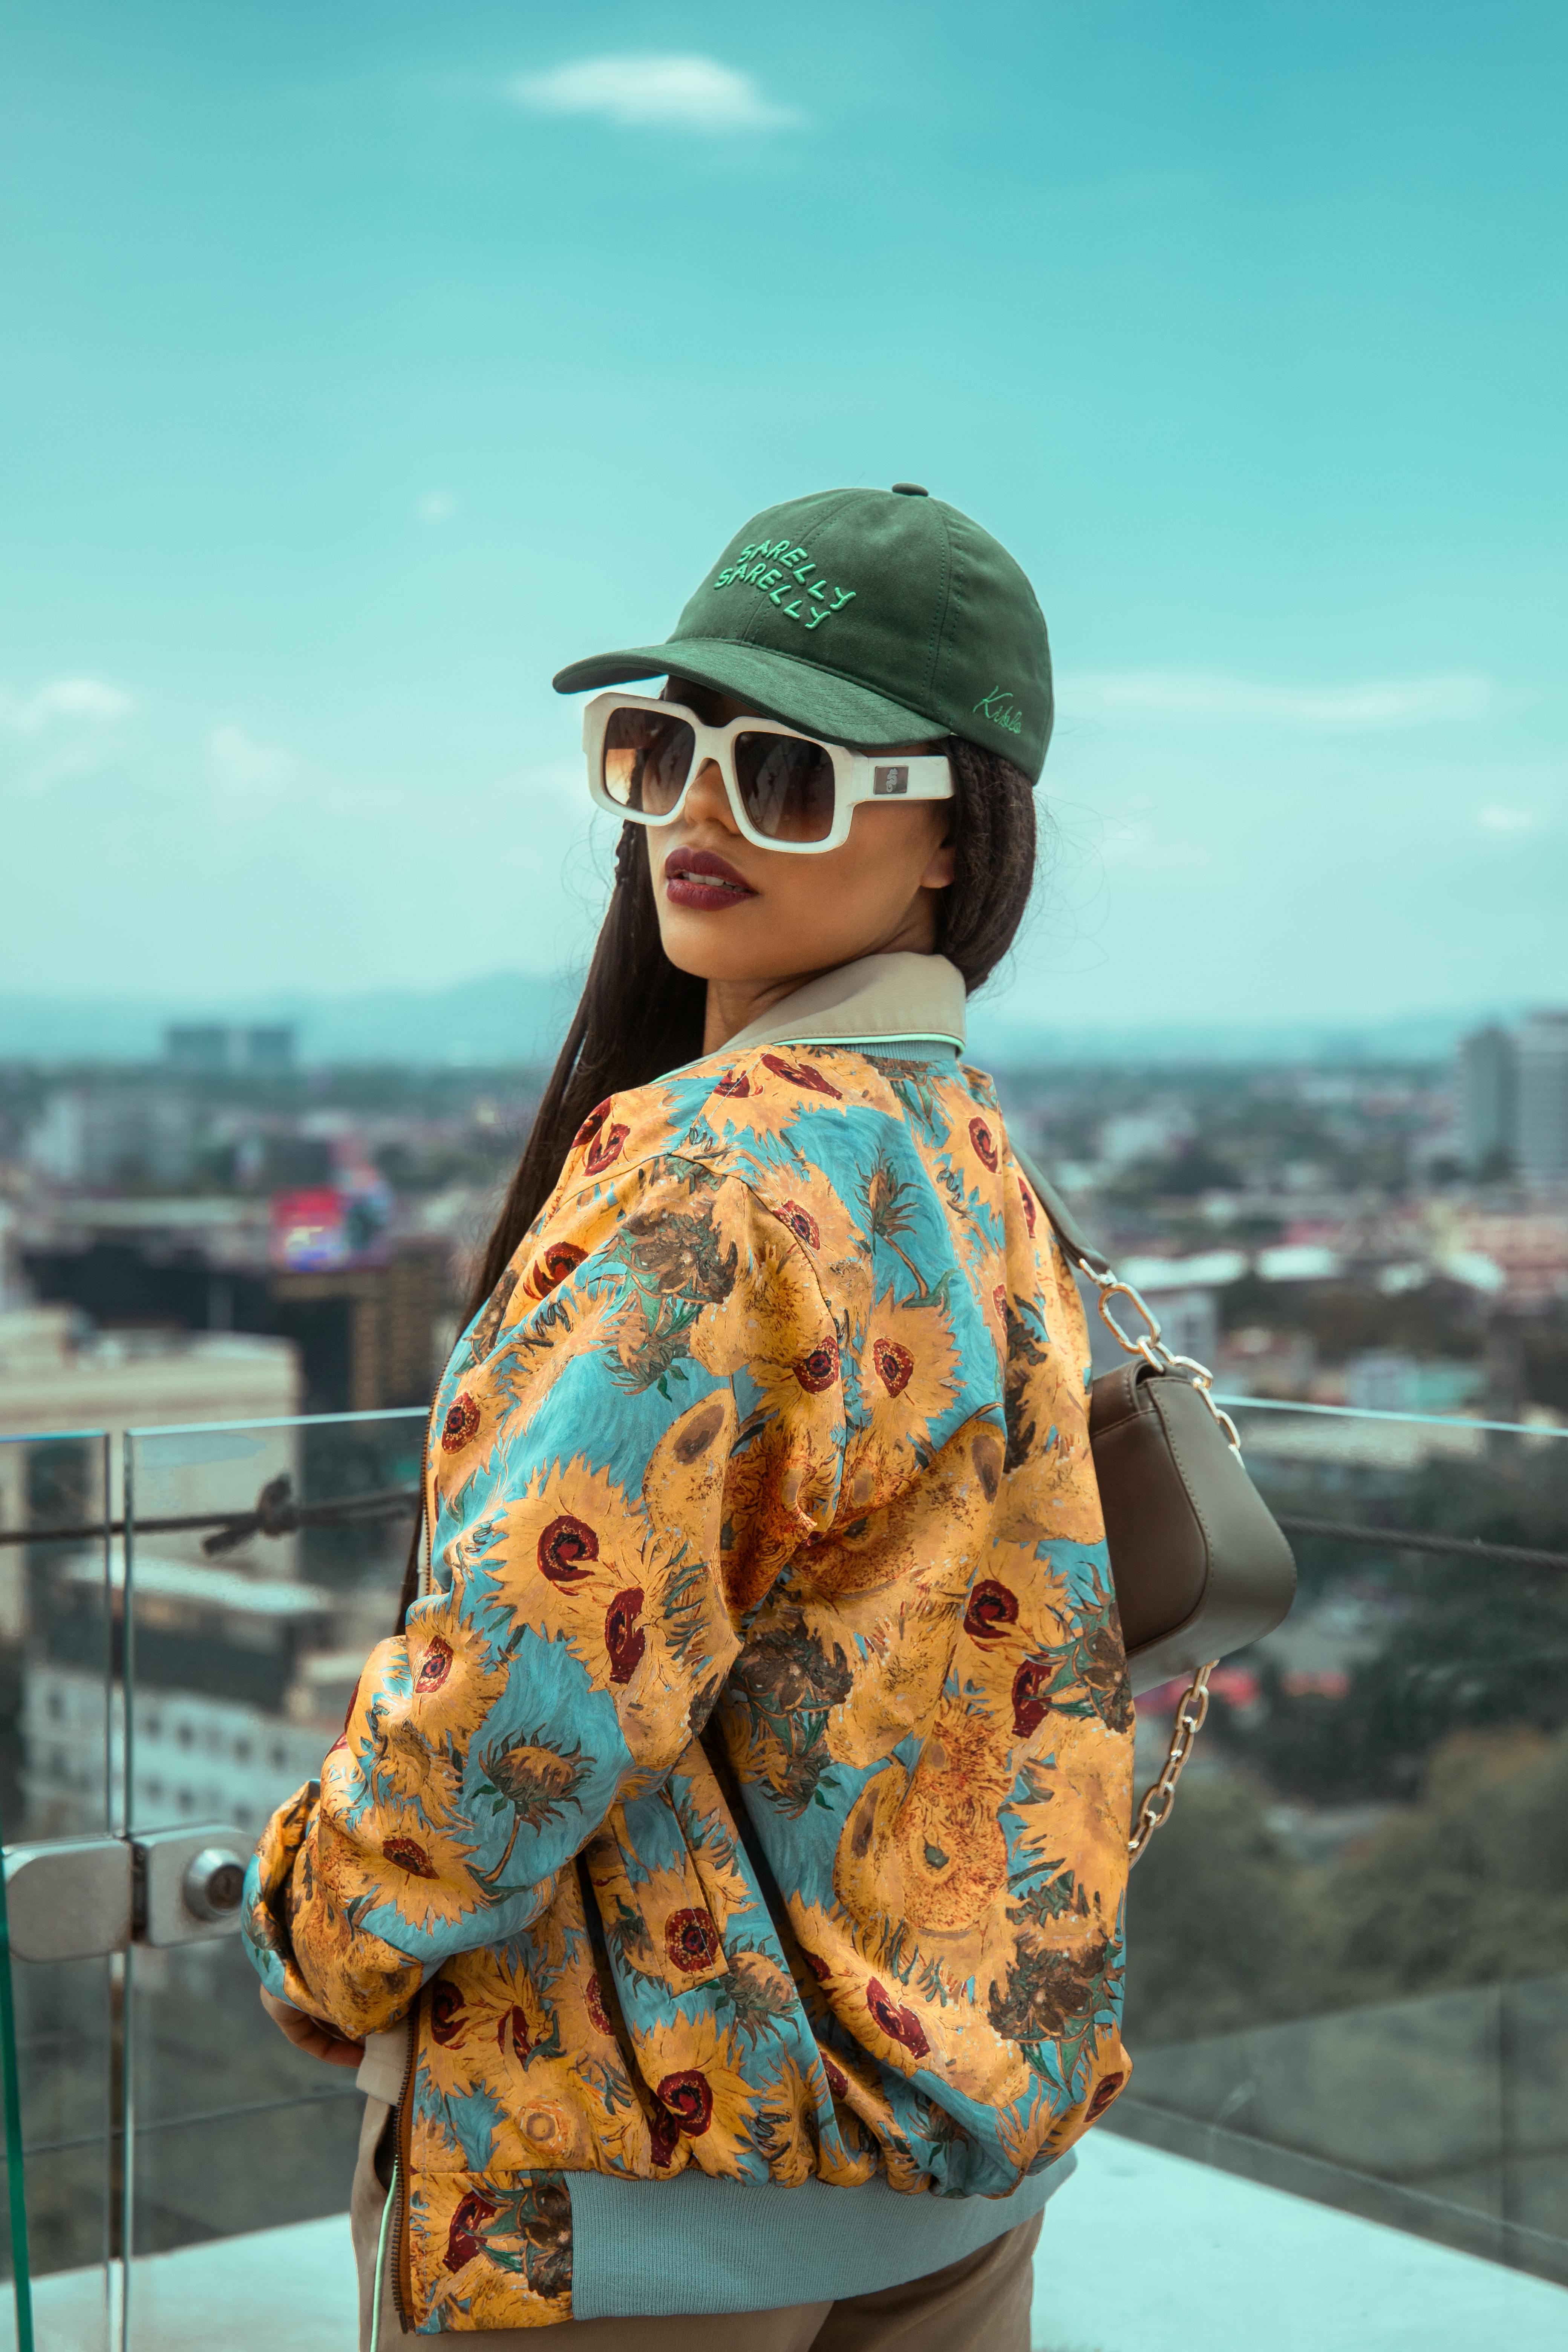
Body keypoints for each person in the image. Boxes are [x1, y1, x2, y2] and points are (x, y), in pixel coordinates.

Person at [244, 483, 1135, 2348]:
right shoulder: (965, 1156)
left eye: (791, 773)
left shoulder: (710, 1166)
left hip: (638, 2189)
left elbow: (529, 1681)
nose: (699, 813)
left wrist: (317, 1929)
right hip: (951, 2159)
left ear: (946, 848)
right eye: (660, 750)